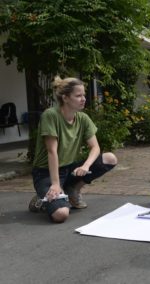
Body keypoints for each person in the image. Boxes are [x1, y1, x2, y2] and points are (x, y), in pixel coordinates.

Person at [28, 76, 118, 223]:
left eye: (83, 95)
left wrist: (86, 166)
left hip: (69, 169)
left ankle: (73, 190)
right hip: (46, 172)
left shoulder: (83, 118)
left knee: (110, 158)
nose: (83, 99)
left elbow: (95, 147)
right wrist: (55, 184)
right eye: (78, 95)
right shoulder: (50, 115)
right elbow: (52, 152)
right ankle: (43, 197)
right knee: (61, 214)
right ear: (65, 98)